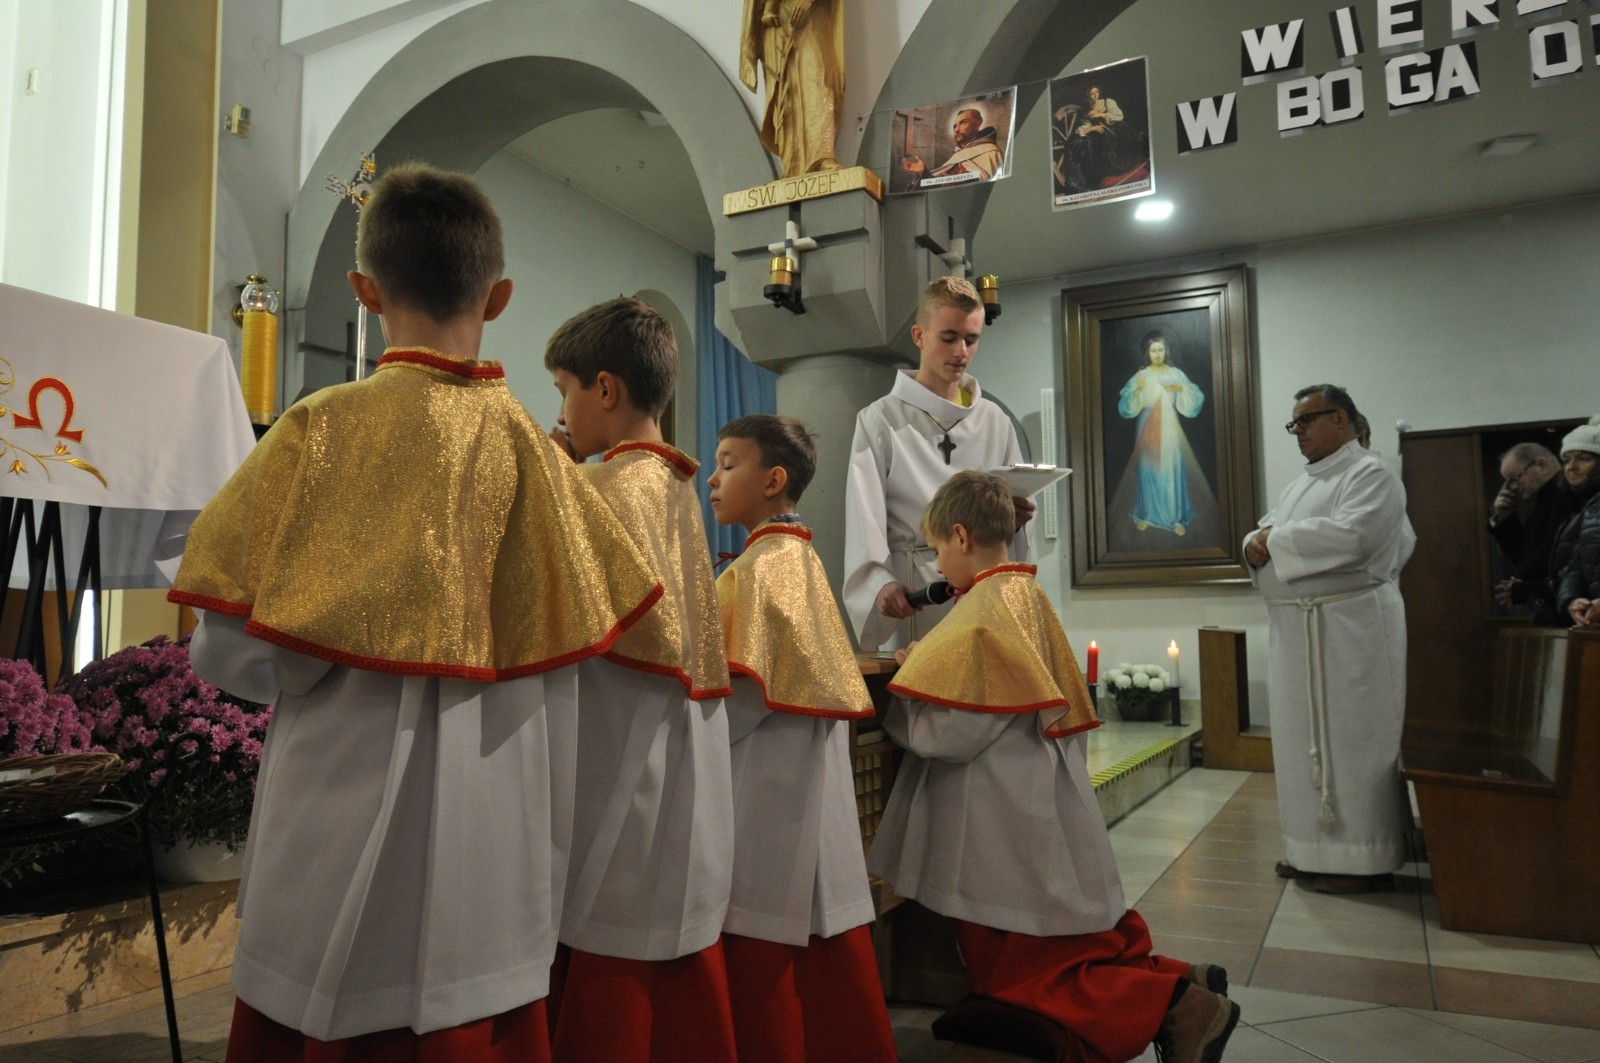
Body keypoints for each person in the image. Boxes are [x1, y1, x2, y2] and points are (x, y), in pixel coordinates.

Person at [167, 164, 669, 1062]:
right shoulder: (545, 459)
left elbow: (240, 652)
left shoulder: (320, 427)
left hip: (336, 803)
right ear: (500, 297)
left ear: (365, 290)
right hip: (495, 831)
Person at [868, 470, 1240, 1063]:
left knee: (1020, 966)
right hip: (1030, 798)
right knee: (1054, 938)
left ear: (961, 536)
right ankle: (1170, 979)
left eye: (936, 549)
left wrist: (910, 682)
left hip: (997, 815)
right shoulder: (1022, 594)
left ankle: (1173, 1005)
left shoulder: (983, 612)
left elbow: (953, 733)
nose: (937, 565)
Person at [542, 296, 739, 1063]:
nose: (562, 412)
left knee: (611, 963)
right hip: (672, 749)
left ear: (605, 388)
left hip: (616, 747)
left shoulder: (607, 488)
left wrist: (549, 479)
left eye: (563, 390)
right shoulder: (672, 485)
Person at [705, 414, 898, 1063]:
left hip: (765, 795)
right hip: (799, 789)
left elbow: (737, 700)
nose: (712, 479)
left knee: (767, 965)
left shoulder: (761, 569)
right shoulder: (798, 559)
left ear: (773, 480)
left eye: (728, 464)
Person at [1244, 384, 1416, 895]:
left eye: (1305, 421)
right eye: (1294, 424)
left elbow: (1355, 537)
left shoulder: (1371, 475)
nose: (1297, 432)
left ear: (1339, 418)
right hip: (1299, 633)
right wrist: (1254, 544)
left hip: (1351, 632)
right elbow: (1262, 533)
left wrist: (1273, 541)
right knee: (1299, 743)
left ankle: (1363, 859)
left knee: (1353, 741)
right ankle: (1310, 849)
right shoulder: (1302, 485)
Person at [843, 276, 1032, 651]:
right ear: (919, 336)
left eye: (971, 339)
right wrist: (878, 582)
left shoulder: (995, 420)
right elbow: (864, 513)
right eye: (949, 337)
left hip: (981, 594)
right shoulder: (880, 419)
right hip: (912, 591)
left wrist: (1013, 519)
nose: (961, 351)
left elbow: (1016, 525)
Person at [738, 0, 844, 177]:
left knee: (818, 80)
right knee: (786, 91)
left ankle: (822, 155)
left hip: (812, 15)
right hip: (776, 23)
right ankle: (793, 163)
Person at [1116, 331, 1206, 536]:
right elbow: (1125, 404)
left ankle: (1175, 518)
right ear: (1148, 353)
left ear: (1166, 351)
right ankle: (1147, 515)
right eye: (1153, 350)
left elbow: (1195, 395)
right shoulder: (1141, 375)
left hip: (1170, 426)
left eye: (1160, 350)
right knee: (1147, 468)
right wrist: (1138, 391)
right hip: (1147, 425)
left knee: (1171, 468)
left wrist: (1180, 389)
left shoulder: (1176, 374)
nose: (1157, 354)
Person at [1488, 442, 1575, 614]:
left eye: (1515, 478)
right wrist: (1504, 517)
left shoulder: (1566, 497)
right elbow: (1523, 555)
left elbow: (1552, 553)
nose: (1513, 487)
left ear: (1542, 466)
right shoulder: (1541, 504)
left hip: (1566, 605)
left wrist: (1522, 585)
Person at [1553, 417, 1600, 629]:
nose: (1572, 467)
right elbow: (1578, 563)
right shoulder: (1590, 508)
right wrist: (1572, 599)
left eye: (1583, 458)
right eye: (1567, 460)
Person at [899, 107, 1005, 188]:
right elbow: (940, 183)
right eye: (955, 126)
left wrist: (964, 179)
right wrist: (923, 173)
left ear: (977, 124)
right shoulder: (959, 153)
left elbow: (991, 185)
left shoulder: (991, 151)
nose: (957, 129)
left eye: (963, 123)